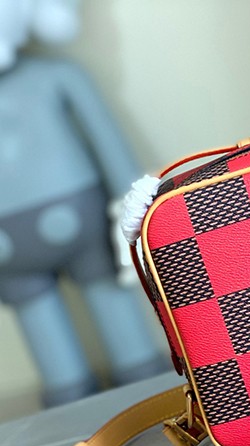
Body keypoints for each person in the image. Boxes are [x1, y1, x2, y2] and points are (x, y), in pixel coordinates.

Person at [0, 0, 166, 406]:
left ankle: (133, 381)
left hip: (67, 230)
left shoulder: (58, 75)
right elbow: (110, 145)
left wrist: (135, 206)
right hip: (32, 239)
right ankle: (79, 396)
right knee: (72, 376)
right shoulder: (57, 74)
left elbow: (111, 146)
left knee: (123, 342)